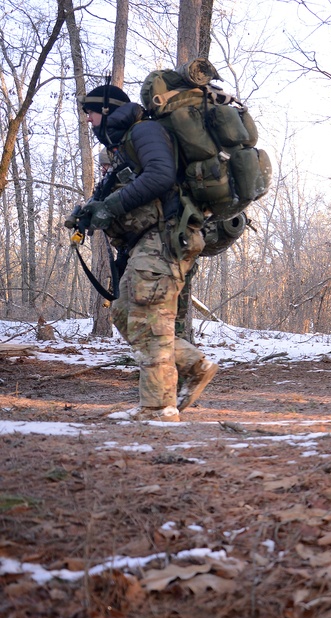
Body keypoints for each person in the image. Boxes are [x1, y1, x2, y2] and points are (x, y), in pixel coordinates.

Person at [71, 84, 218, 421]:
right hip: (149, 240)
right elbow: (125, 194)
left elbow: (160, 175)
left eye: (90, 112)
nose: (89, 121)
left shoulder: (145, 130)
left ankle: (157, 408)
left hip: (165, 235)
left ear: (107, 110)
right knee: (125, 313)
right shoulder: (124, 146)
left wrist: (112, 206)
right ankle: (195, 366)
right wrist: (91, 213)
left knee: (147, 316)